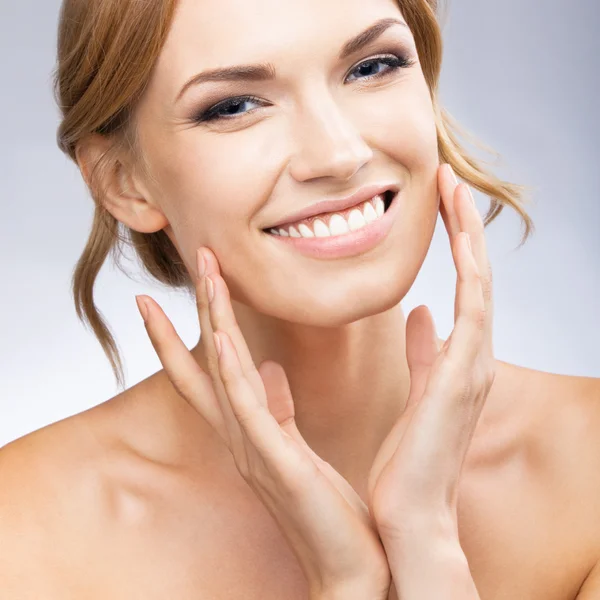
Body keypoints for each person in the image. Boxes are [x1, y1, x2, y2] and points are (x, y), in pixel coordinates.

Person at [1, 0, 598, 597]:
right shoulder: (25, 532)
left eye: (372, 67)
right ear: (122, 180)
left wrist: (427, 544)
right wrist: (347, 583)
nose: (339, 155)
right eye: (234, 105)